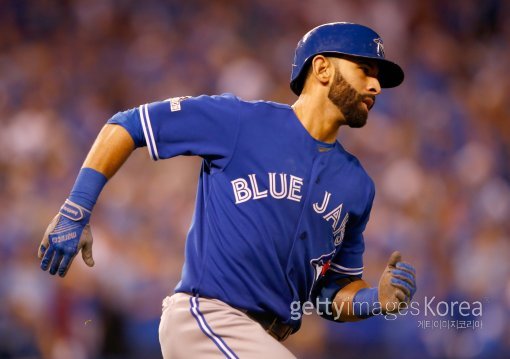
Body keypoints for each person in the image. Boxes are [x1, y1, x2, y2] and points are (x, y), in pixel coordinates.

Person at [38, 22, 417, 358]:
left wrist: (374, 300)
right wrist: (77, 208)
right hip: (208, 320)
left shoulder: (357, 185)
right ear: (321, 68)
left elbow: (330, 295)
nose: (376, 85)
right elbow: (127, 125)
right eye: (364, 70)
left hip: (260, 340)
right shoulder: (240, 121)